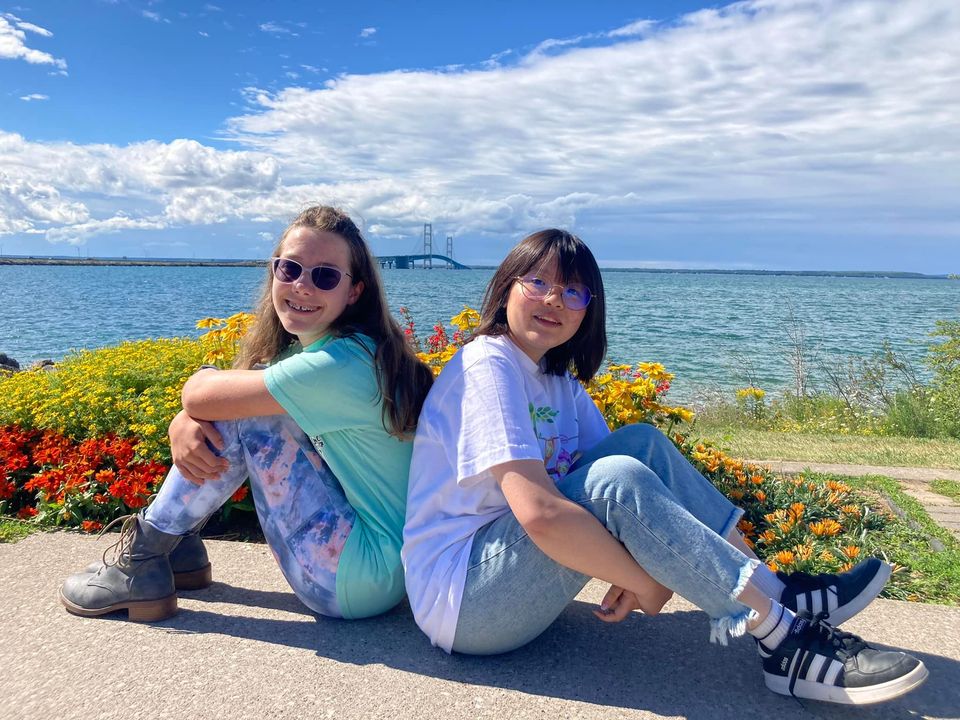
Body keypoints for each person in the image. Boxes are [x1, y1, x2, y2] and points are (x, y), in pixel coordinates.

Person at [401, 229, 927, 705]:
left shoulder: (556, 380)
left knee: (641, 445)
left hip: (505, 579)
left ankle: (777, 591)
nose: (553, 299)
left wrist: (643, 559)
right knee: (617, 477)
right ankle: (783, 641)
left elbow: (634, 483)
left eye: (573, 292)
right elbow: (541, 512)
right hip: (465, 602)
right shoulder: (487, 363)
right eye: (537, 281)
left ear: (589, 311)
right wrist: (645, 582)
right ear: (506, 288)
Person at [60, 205, 433, 622]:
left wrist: (193, 409)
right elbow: (225, 395)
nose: (302, 285)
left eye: (325, 275)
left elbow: (212, 397)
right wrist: (187, 417)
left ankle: (145, 557)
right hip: (381, 567)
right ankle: (176, 546)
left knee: (252, 411)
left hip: (356, 578)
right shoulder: (344, 349)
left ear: (354, 292)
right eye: (289, 269)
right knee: (248, 400)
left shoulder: (340, 365)